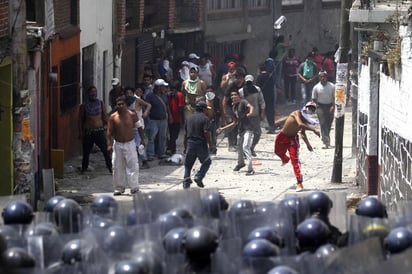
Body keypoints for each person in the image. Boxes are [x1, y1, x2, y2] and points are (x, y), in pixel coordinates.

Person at [274, 101, 320, 192]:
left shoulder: (306, 120)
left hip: (293, 139)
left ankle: (299, 182)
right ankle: (285, 159)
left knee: (295, 160)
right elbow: (300, 124)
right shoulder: (296, 113)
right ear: (305, 107)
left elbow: (302, 133)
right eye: (309, 108)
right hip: (282, 136)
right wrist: (314, 130)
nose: (310, 110)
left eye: (313, 109)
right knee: (277, 152)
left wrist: (308, 145)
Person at [107, 96, 144, 195]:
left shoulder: (132, 115)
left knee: (133, 165)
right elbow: (109, 132)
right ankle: (119, 188)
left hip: (130, 144)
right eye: (119, 104)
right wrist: (109, 144)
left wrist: (142, 141)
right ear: (116, 105)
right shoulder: (113, 117)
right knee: (117, 166)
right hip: (118, 144)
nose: (121, 106)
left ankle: (134, 187)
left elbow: (140, 128)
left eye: (122, 104)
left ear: (126, 105)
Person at [217, 89, 255, 176]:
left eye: (235, 95)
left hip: (248, 129)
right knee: (240, 149)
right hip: (240, 130)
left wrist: (250, 113)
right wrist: (223, 128)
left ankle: (250, 169)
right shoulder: (234, 108)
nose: (233, 96)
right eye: (232, 95)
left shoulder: (243, 102)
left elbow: (251, 107)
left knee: (246, 147)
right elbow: (234, 122)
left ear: (239, 96)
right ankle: (241, 163)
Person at [78, 86, 112, 174]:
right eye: (91, 92)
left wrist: (109, 128)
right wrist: (80, 132)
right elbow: (80, 120)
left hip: (99, 131)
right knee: (86, 152)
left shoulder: (100, 103)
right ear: (88, 93)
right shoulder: (84, 106)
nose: (93, 93)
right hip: (88, 132)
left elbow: (105, 116)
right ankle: (84, 168)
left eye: (95, 91)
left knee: (105, 150)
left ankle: (110, 168)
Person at [182, 101, 215, 189]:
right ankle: (199, 176)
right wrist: (211, 145)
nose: (207, 111)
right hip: (201, 144)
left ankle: (186, 179)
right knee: (207, 162)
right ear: (203, 109)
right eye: (206, 109)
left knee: (188, 164)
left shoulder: (189, 118)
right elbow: (206, 132)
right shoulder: (205, 119)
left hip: (190, 143)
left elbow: (185, 134)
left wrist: (185, 147)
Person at [124, 86, 152, 169]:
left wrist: (146, 113)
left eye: (130, 93)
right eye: (127, 93)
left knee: (138, 145)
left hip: (138, 127)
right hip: (128, 127)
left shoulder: (137, 100)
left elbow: (148, 105)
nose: (129, 95)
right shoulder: (124, 102)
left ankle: (145, 161)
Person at [145, 79, 172, 160]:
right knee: (151, 137)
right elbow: (146, 106)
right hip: (153, 120)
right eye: (163, 86)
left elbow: (167, 106)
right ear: (159, 87)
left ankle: (161, 153)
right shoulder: (150, 95)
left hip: (163, 119)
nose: (164, 88)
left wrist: (170, 115)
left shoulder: (164, 95)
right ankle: (150, 154)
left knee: (162, 137)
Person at [239, 74, 266, 157]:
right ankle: (244, 150)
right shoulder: (241, 91)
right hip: (245, 116)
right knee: (244, 135)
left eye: (250, 82)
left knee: (257, 133)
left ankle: (252, 147)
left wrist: (262, 112)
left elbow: (262, 101)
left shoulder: (257, 89)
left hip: (255, 114)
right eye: (247, 82)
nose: (249, 84)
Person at [311, 71, 335, 149]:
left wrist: (333, 106)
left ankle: (326, 137)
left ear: (326, 77)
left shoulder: (332, 86)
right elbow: (314, 99)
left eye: (324, 76)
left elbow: (335, 98)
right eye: (321, 77)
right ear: (319, 77)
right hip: (320, 107)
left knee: (328, 123)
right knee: (323, 123)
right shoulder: (316, 87)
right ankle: (325, 141)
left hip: (330, 106)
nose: (322, 78)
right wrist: (314, 108)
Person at [256, 61, 276, 134]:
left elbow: (257, 87)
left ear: (260, 69)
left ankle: (257, 128)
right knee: (270, 112)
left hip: (262, 97)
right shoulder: (270, 76)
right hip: (270, 96)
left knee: (259, 111)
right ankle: (272, 127)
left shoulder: (259, 77)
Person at [167, 81, 185, 155]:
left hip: (169, 117)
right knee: (175, 135)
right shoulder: (179, 95)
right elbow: (180, 107)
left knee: (171, 133)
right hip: (177, 117)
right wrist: (182, 119)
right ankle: (171, 148)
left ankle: (171, 148)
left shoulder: (168, 95)